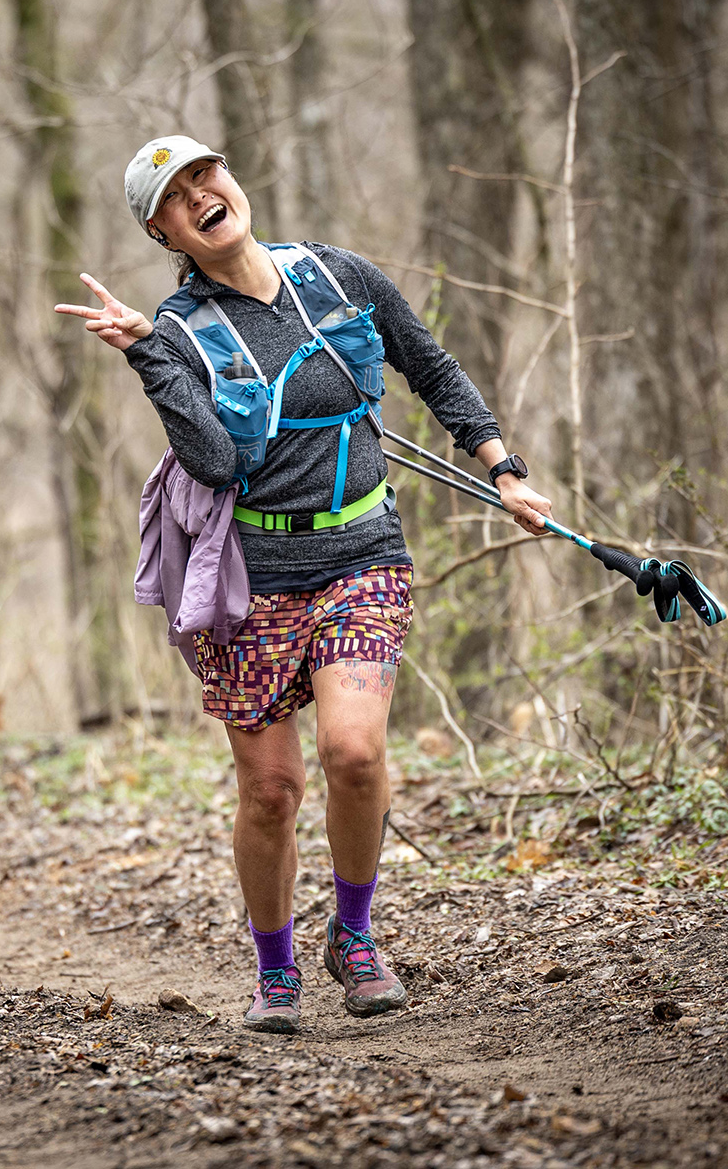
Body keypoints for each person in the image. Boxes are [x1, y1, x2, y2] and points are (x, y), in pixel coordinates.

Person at [55, 135, 553, 1034]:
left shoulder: (337, 276)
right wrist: (145, 353)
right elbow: (212, 459)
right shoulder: (179, 331)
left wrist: (503, 467)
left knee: (354, 753)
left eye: (205, 174)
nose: (200, 195)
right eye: (175, 197)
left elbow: (430, 365)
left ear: (230, 179)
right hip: (253, 579)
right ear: (164, 233)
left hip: (364, 554)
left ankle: (353, 936)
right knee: (272, 790)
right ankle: (275, 967)